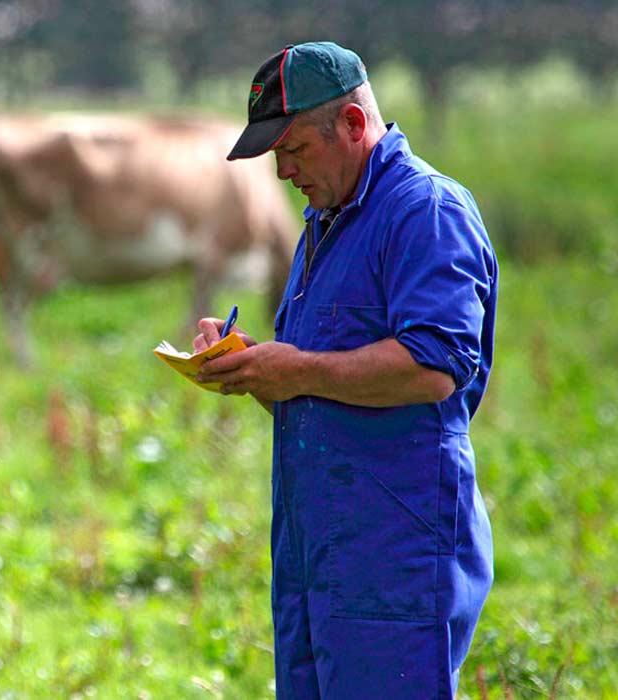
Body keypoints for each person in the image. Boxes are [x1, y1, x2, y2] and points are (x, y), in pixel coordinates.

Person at [194, 42, 497, 699]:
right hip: (318, 545)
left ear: (354, 127)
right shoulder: (326, 221)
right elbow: (319, 382)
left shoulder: (427, 212)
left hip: (396, 547)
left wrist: (296, 369)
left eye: (294, 149)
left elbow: (433, 368)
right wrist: (253, 368)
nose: (282, 173)